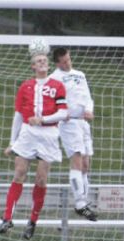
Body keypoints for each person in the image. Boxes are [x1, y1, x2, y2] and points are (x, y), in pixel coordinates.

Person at [0, 53, 68, 240]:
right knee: (19, 172)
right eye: (39, 61)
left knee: (41, 179)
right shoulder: (25, 86)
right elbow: (19, 116)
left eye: (45, 60)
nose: (43, 63)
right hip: (28, 132)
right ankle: (7, 218)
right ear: (33, 67)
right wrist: (12, 142)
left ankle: (32, 222)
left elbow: (63, 113)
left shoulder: (57, 86)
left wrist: (43, 119)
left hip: (48, 133)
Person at [50, 47, 97, 221]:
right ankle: (79, 203)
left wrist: (89, 110)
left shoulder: (80, 74)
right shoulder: (53, 79)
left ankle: (84, 200)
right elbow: (49, 101)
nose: (68, 63)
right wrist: (60, 111)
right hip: (68, 123)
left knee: (86, 164)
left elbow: (88, 96)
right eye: (64, 62)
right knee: (77, 159)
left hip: (83, 122)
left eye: (69, 59)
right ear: (57, 63)